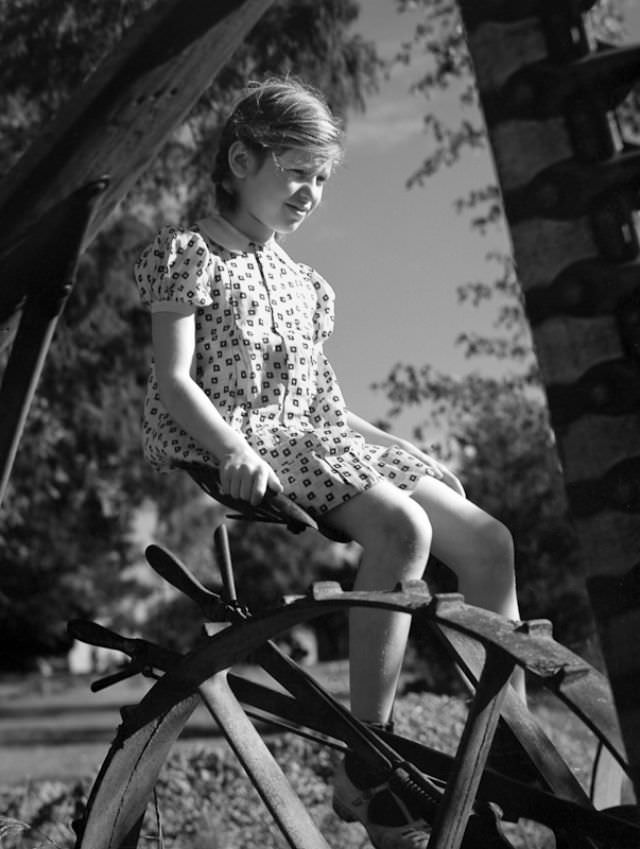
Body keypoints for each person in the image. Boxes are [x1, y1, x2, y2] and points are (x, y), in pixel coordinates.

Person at [134, 77, 524, 849]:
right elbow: (174, 381)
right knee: (401, 529)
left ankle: (508, 728)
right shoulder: (188, 257)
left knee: (489, 541)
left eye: (321, 176)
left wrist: (396, 446)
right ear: (241, 160)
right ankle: (368, 755)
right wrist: (234, 451)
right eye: (297, 171)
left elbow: (323, 405)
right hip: (247, 442)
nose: (311, 191)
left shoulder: (306, 284)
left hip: (313, 437)